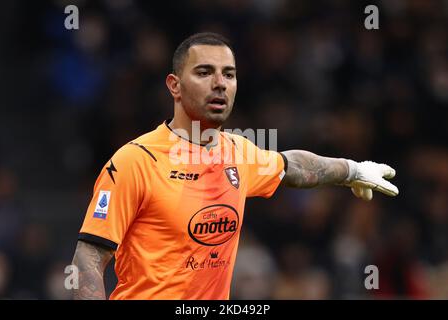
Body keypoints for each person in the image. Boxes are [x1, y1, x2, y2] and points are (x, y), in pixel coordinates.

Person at [72, 32, 398, 300]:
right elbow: (89, 258)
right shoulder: (135, 161)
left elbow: (292, 166)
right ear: (174, 85)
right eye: (204, 72)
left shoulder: (238, 152)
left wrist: (352, 170)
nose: (220, 83)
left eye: (228, 74)